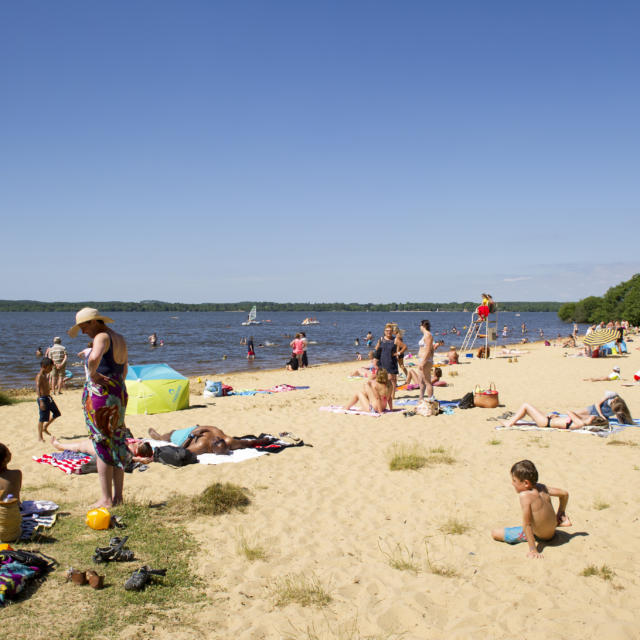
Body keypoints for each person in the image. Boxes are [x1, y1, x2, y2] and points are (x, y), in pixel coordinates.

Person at [68, 307, 130, 508]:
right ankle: (118, 497)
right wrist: (115, 385)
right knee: (117, 442)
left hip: (101, 396)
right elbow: (125, 368)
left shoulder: (102, 336)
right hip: (119, 391)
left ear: (94, 322)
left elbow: (94, 358)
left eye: (83, 326)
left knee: (102, 444)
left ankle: (106, 498)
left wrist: (93, 375)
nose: (83, 331)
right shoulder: (119, 337)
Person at [491, 460, 571, 558]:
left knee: (495, 533)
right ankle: (562, 520)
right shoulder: (542, 487)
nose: (512, 483)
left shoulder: (525, 496)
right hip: (552, 532)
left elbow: (527, 525)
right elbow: (564, 494)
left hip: (540, 536)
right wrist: (560, 513)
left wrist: (533, 549)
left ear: (526, 483)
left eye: (514, 481)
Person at [148, 425, 275, 456]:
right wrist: (265, 440)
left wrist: (192, 437)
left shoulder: (201, 446)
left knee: (170, 435)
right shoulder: (228, 440)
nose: (216, 438)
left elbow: (181, 450)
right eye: (218, 439)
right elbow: (248, 443)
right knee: (172, 432)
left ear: (211, 448)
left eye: (215, 441)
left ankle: (158, 436)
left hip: (186, 437)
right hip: (198, 429)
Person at [500, 402, 609, 430]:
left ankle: (509, 423)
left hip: (546, 423)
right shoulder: (580, 422)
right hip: (548, 420)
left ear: (593, 421)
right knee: (528, 408)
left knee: (526, 405)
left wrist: (579, 417)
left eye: (592, 417)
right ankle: (512, 421)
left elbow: (569, 412)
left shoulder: (580, 423)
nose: (590, 416)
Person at [51, 436, 153, 464]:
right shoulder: (132, 446)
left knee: (80, 446)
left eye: (139, 442)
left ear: (138, 446)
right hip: (106, 447)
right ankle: (60, 445)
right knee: (81, 445)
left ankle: (59, 446)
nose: (137, 441)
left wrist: (139, 460)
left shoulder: (130, 451)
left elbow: (128, 458)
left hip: (103, 450)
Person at [0, 443, 22, 543]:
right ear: (6, 459)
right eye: (9, 452)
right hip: (13, 511)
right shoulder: (17, 474)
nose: (11, 453)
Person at [36, 357, 60, 442]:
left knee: (57, 413)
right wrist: (41, 401)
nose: (51, 369)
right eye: (50, 368)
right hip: (43, 399)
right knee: (42, 418)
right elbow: (38, 388)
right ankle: (40, 437)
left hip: (48, 398)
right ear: (44, 366)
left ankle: (45, 427)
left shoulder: (45, 375)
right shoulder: (39, 376)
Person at [374, 323, 399, 390]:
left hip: (392, 363)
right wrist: (375, 362)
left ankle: (392, 397)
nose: (389, 332)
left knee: (392, 381)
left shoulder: (395, 339)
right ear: (384, 332)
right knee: (382, 380)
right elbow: (376, 350)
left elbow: (404, 347)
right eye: (387, 330)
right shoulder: (381, 339)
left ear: (392, 331)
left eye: (390, 331)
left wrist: (398, 353)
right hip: (382, 362)